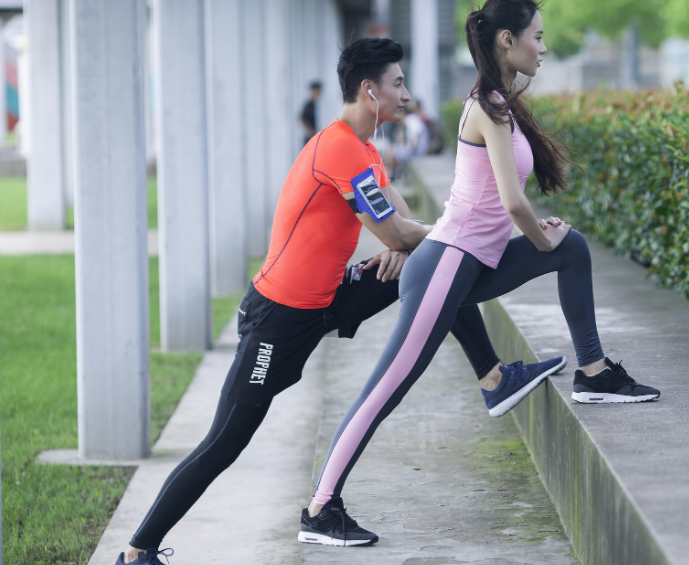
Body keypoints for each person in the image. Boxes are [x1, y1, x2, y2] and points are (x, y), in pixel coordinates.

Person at [114, 36, 565, 565]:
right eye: (397, 84)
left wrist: (417, 247)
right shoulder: (339, 148)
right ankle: (137, 551)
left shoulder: (367, 150)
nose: (407, 95)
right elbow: (399, 230)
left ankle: (492, 378)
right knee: (225, 443)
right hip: (278, 319)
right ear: (369, 91)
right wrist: (417, 243)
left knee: (434, 272)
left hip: (327, 296)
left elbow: (411, 231)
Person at [300, 0, 661, 548]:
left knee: (575, 248)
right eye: (537, 37)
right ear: (507, 41)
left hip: (469, 266)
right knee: (386, 388)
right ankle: (320, 510)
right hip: (444, 267)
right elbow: (515, 206)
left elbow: (501, 207)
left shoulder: (498, 103)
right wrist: (541, 237)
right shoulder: (485, 108)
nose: (543, 46)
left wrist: (548, 240)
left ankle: (593, 372)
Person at [385, 99, 430, 179]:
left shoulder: (410, 119)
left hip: (417, 151)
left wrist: (411, 146)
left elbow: (416, 133)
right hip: (414, 149)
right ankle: (394, 174)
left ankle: (392, 175)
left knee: (391, 153)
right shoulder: (409, 120)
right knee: (391, 151)